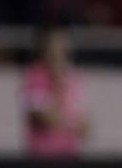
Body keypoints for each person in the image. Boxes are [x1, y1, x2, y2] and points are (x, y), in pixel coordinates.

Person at [21, 25, 90, 157]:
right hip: (42, 157)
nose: (59, 50)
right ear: (44, 48)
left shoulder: (75, 77)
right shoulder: (33, 77)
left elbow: (85, 128)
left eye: (63, 45)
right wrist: (57, 83)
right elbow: (43, 119)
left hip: (70, 155)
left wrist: (77, 124)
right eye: (55, 44)